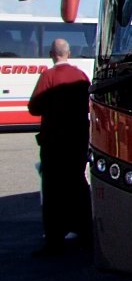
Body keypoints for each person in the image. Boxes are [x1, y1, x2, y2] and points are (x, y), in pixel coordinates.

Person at [28, 38, 92, 257]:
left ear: (51, 54)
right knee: (78, 185)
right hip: (78, 141)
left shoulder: (48, 77)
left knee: (53, 191)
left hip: (54, 143)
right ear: (69, 53)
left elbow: (34, 107)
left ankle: (54, 240)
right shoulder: (81, 76)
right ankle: (86, 233)